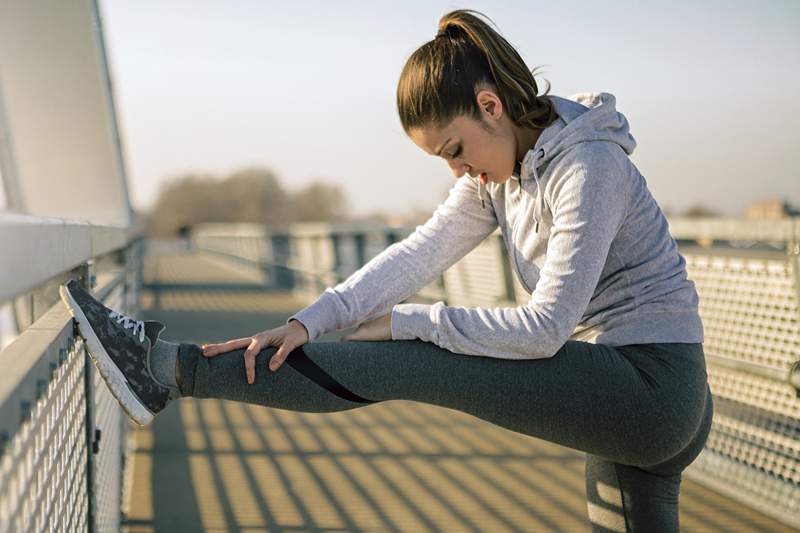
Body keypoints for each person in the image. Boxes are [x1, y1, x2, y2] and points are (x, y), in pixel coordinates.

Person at [60, 9, 713, 532]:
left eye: (456, 150)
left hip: (651, 388)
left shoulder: (586, 167)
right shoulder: (497, 174)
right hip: (622, 388)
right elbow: (414, 254)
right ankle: (172, 367)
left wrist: (408, 323)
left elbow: (544, 329)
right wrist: (307, 321)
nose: (458, 171)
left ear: (492, 106)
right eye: (442, 160)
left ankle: (167, 367)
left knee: (422, 355)